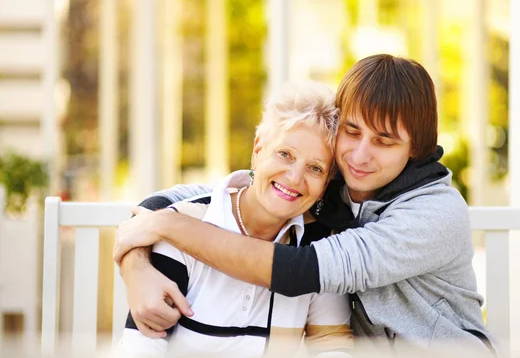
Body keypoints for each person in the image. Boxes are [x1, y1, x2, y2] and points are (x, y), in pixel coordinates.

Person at [115, 55, 497, 354]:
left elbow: (299, 271)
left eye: (383, 141)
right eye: (352, 131)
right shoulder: (332, 180)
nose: (360, 155)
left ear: (415, 148)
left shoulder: (433, 213)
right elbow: (199, 195)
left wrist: (169, 227)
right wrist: (136, 266)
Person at [118, 83, 352, 357]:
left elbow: (331, 345)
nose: (294, 178)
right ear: (257, 151)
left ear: (325, 184)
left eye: (315, 168)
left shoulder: (318, 245)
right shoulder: (183, 227)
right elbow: (141, 349)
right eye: (285, 154)